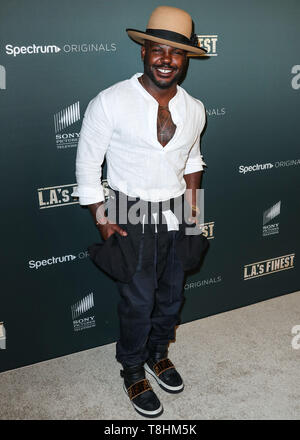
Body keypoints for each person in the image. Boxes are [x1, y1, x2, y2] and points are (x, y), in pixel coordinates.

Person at [72, 5, 207, 418]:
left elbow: (192, 163)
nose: (166, 60)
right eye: (158, 49)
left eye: (176, 53)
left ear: (185, 59)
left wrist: (194, 216)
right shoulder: (110, 102)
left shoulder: (195, 108)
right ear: (144, 51)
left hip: (177, 210)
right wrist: (102, 218)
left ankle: (157, 353)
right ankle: (132, 369)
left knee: (170, 297)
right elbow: (86, 168)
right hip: (127, 208)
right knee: (137, 300)